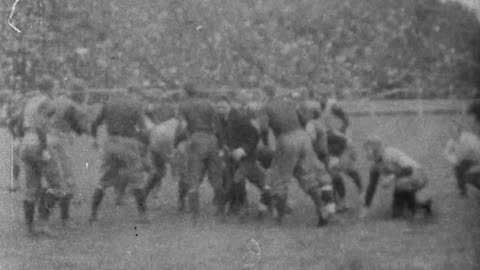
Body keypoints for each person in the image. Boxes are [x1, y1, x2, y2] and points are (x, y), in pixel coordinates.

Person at [252, 93, 335, 227]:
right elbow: (303, 117)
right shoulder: (289, 102)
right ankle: (322, 210)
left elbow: (263, 128)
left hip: (286, 139)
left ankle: (279, 218)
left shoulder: (265, 108)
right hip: (303, 137)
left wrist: (266, 144)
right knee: (307, 176)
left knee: (280, 179)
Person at [89, 88, 151, 224]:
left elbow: (94, 123)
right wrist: (143, 145)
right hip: (128, 142)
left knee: (103, 180)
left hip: (111, 142)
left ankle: (93, 214)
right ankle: (143, 215)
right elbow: (144, 129)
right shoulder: (135, 105)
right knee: (137, 180)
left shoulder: (108, 104)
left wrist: (93, 138)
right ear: (127, 94)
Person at [19, 76, 67, 237]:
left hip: (26, 142)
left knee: (31, 188)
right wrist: (43, 146)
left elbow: (20, 123)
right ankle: (43, 224)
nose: (58, 89)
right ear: (49, 88)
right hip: (39, 144)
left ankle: (29, 227)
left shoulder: (30, 101)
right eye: (56, 86)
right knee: (58, 187)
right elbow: (40, 124)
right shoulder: (48, 102)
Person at [174, 82, 226, 225]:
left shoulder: (183, 106)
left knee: (194, 178)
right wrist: (220, 145)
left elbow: (182, 127)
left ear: (186, 92)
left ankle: (195, 217)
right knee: (216, 177)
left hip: (196, 140)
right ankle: (221, 212)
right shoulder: (209, 104)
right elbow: (218, 126)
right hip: (212, 140)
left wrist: (177, 142)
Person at [361, 136, 432, 219]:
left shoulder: (390, 154)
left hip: (418, 175)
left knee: (401, 183)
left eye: (368, 150)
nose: (366, 153)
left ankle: (415, 210)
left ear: (376, 149)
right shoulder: (375, 166)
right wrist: (366, 207)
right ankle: (423, 204)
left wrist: (391, 178)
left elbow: (409, 169)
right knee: (396, 214)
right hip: (405, 180)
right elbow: (371, 187)